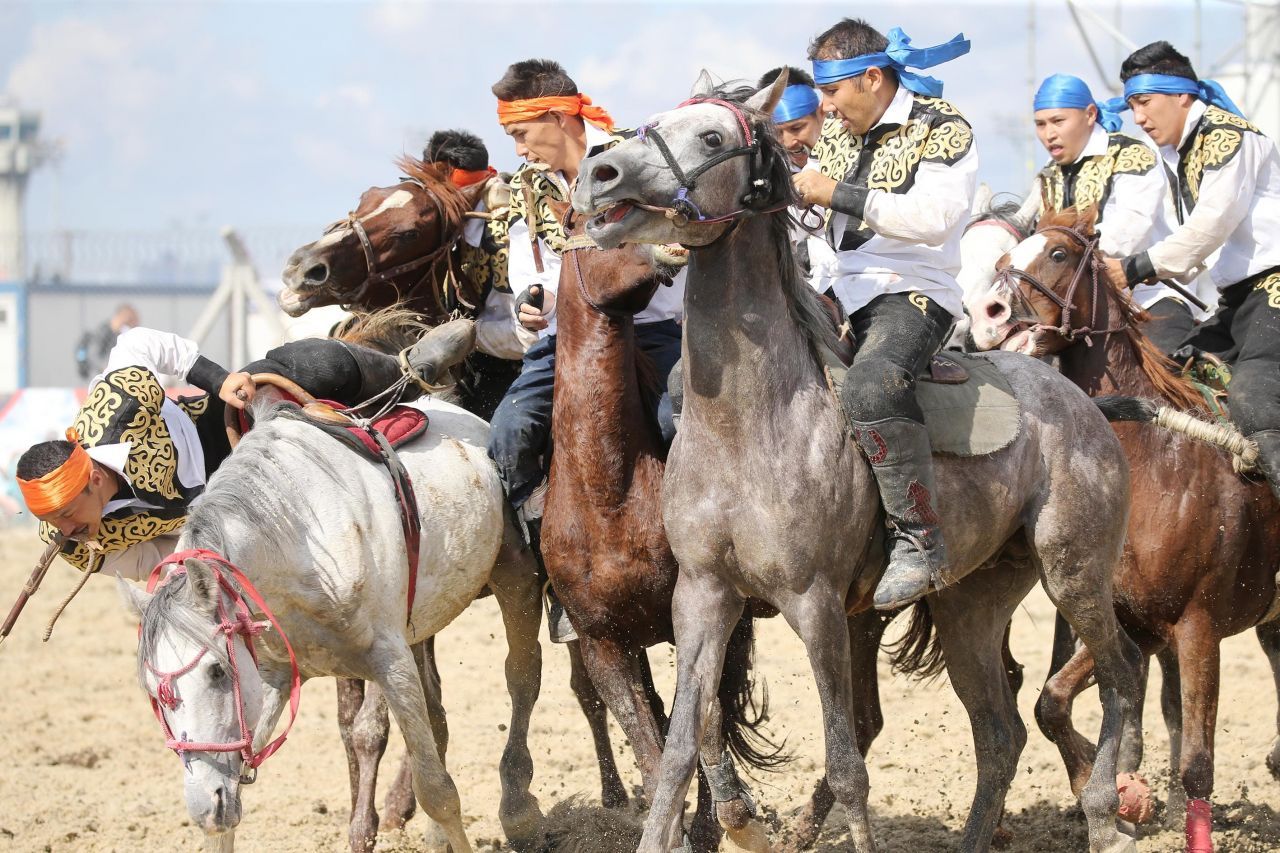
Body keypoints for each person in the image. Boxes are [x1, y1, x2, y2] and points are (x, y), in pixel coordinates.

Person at [488, 58, 685, 641]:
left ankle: (707, 559)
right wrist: (533, 307)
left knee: (677, 420)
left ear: (555, 116)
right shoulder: (524, 188)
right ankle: (561, 577)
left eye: (521, 134)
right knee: (507, 434)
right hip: (567, 340)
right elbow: (536, 274)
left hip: (653, 328)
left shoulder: (639, 159)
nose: (519, 149)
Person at [16, 326, 461, 580]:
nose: (65, 530)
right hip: (220, 523)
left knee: (312, 367)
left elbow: (138, 343)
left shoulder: (115, 407)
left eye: (68, 514)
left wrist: (217, 378)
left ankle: (406, 372)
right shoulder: (79, 551)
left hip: (214, 425)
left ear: (94, 479)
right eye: (52, 522)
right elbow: (149, 562)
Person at [796, 19, 977, 609]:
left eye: (830, 92)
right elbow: (814, 222)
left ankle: (921, 542)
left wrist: (835, 193)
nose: (824, 106)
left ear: (871, 78)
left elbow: (937, 218)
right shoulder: (838, 135)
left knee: (872, 388)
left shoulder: (944, 128)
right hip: (833, 288)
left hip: (912, 288)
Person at [1102, 41, 1280, 502]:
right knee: (1171, 372)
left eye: (1144, 102)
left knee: (1254, 402)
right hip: (1240, 301)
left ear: (1181, 95)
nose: (1137, 117)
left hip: (1275, 289)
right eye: (1131, 106)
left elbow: (1211, 225)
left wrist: (1136, 268)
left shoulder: (1227, 135)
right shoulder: (1177, 153)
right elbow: (1198, 242)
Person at [1025, 73, 1197, 353]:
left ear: (1090, 114)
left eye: (1058, 121)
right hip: (1077, 309)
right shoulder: (1047, 175)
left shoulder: (1131, 154)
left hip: (1148, 297)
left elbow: (1130, 228)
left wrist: (1065, 257)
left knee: (1170, 373)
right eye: (1040, 124)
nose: (1049, 134)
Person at [423, 128, 531, 420]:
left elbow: (528, 336)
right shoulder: (453, 228)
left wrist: (459, 337)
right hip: (471, 362)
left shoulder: (509, 231)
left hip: (515, 370)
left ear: (444, 172)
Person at [759, 66, 841, 303]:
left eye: (797, 128)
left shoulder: (858, 160)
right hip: (802, 293)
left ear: (822, 114)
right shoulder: (768, 178)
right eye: (777, 133)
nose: (789, 142)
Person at [75, 304, 139, 381]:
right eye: (129, 320)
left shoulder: (120, 334)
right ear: (120, 316)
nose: (131, 324)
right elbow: (93, 355)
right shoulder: (103, 332)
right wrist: (107, 367)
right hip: (99, 377)